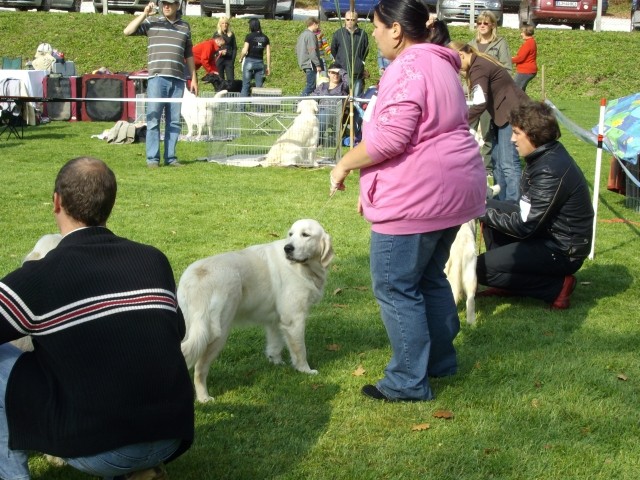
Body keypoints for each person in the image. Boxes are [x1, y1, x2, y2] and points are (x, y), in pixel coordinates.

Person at [329, 0, 486, 402]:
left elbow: (390, 139)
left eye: (377, 27)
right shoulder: (441, 64)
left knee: (396, 285)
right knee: (429, 277)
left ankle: (407, 380)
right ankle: (439, 362)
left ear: (396, 30)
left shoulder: (408, 68)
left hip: (419, 196)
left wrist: (343, 163)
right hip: (454, 190)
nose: (374, 34)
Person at [0, 157, 194, 479]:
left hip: (102, 445)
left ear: (56, 202)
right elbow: (176, 330)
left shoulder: (42, 276)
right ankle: (138, 471)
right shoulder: (154, 259)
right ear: (110, 205)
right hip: (172, 436)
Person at [476, 101, 594, 309]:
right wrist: (483, 207)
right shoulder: (545, 155)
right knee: (491, 205)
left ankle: (556, 287)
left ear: (533, 134)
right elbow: (527, 211)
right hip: (548, 233)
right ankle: (507, 278)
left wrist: (478, 211)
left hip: (563, 250)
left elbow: (525, 226)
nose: (512, 139)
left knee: (478, 269)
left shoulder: (550, 169)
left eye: (516, 133)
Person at [124, 0, 198, 168]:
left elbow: (189, 55)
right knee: (153, 120)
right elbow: (127, 31)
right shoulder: (151, 22)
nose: (166, 6)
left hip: (178, 79)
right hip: (157, 78)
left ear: (177, 6)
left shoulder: (185, 27)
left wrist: (194, 77)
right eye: (164, 3)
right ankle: (153, 159)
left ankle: (171, 158)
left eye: (170, 3)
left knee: (174, 122)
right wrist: (144, 14)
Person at [451, 42, 528, 203]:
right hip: (502, 115)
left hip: (511, 113)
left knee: (508, 163)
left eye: (456, 62)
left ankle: (513, 205)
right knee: (498, 163)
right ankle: (500, 202)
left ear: (462, 55)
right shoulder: (478, 63)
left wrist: (460, 122)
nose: (458, 68)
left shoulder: (478, 68)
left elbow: (480, 103)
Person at [469, 10, 512, 180]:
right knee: (467, 130)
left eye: (485, 23)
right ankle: (467, 162)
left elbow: (507, 69)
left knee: (486, 134)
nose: (481, 26)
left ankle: (487, 168)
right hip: (472, 95)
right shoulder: (471, 44)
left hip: (490, 97)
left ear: (493, 25)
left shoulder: (500, 43)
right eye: (479, 23)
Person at [331, 10, 369, 97]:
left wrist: (360, 62)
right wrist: (340, 60)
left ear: (356, 20)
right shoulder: (338, 34)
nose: (350, 22)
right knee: (342, 100)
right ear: (344, 20)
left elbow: (365, 51)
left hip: (357, 73)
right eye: (347, 19)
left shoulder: (363, 34)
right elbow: (334, 50)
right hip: (342, 72)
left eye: (352, 19)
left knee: (356, 99)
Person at [311, 62, 349, 147]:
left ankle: (316, 141)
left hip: (336, 114)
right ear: (328, 73)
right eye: (333, 73)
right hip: (319, 112)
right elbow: (312, 97)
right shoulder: (322, 86)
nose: (335, 75)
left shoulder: (343, 86)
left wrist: (340, 70)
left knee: (323, 115)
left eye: (338, 73)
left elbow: (349, 80)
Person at [238, 18, 271, 98]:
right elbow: (268, 54)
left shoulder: (249, 36)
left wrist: (241, 58)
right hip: (260, 63)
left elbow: (244, 50)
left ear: (251, 26)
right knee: (259, 87)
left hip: (249, 61)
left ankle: (241, 109)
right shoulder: (265, 37)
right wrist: (268, 67)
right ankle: (259, 108)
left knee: (245, 85)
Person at [296, 17, 323, 96]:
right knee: (311, 86)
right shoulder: (311, 35)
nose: (318, 27)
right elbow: (312, 51)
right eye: (318, 25)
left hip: (303, 62)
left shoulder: (302, 34)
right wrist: (318, 64)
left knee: (311, 85)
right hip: (310, 64)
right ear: (314, 24)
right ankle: (299, 101)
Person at [512, 24, 538, 92]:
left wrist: (508, 59)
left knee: (515, 90)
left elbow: (520, 58)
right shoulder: (532, 42)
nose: (521, 34)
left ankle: (519, 102)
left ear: (526, 32)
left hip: (525, 71)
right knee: (521, 90)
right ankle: (524, 102)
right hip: (528, 70)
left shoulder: (528, 43)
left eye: (522, 32)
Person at [215, 16, 237, 82]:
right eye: (223, 23)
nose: (225, 25)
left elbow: (234, 48)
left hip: (229, 60)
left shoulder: (231, 34)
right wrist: (219, 52)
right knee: (220, 80)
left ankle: (230, 92)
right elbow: (213, 48)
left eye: (226, 23)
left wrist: (232, 60)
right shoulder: (216, 34)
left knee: (231, 81)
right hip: (219, 60)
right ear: (220, 24)